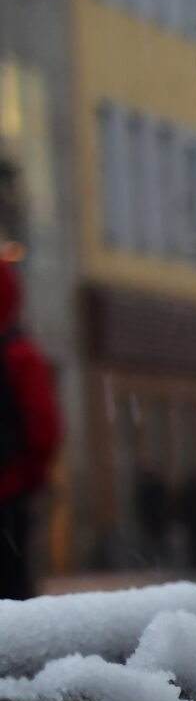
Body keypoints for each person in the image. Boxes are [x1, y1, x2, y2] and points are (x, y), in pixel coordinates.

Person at [0, 258, 63, 603]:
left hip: (9, 490)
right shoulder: (18, 353)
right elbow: (43, 430)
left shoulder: (16, 354)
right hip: (9, 494)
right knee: (11, 592)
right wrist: (27, 476)